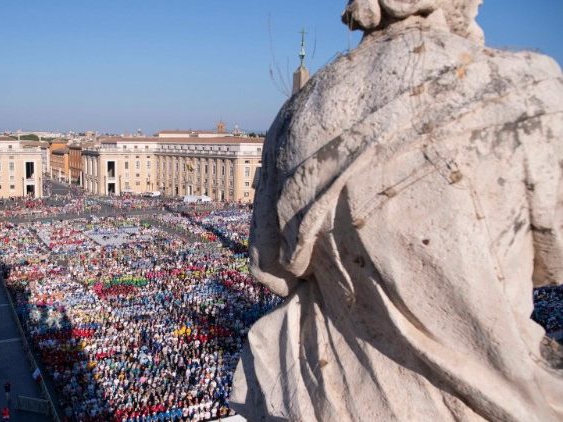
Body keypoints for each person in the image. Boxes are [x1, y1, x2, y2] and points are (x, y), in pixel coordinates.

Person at [231, 2, 563, 421]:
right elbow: (553, 260)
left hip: (335, 393)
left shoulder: (292, 118)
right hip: (477, 401)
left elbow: (271, 268)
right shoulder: (529, 91)